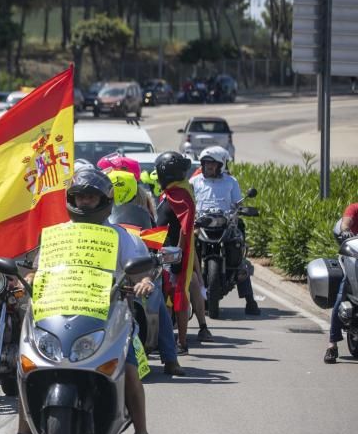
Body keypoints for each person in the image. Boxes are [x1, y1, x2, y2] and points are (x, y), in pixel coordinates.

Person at [0, 169, 162, 434]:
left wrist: (144, 282)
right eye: (80, 196)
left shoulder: (121, 237)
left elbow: (142, 270)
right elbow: (38, 268)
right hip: (58, 312)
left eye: (91, 196)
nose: (85, 202)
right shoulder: (57, 235)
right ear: (70, 199)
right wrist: (27, 278)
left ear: (105, 200)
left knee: (130, 371)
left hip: (109, 317)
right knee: (28, 366)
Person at [106, 169, 184, 376]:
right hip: (107, 272)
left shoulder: (146, 207)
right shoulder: (99, 213)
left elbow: (158, 238)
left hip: (140, 267)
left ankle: (170, 358)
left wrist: (159, 248)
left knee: (156, 298)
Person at [189, 146, 260, 316]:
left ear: (221, 165)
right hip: (201, 226)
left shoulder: (231, 182)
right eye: (206, 163)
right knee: (187, 252)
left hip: (225, 224)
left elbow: (237, 203)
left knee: (238, 248)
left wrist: (241, 209)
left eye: (213, 164)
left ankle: (249, 299)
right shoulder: (194, 182)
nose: (209, 167)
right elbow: (188, 201)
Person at [154, 152, 211, 353]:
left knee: (176, 297)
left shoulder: (179, 194)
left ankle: (180, 343)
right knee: (168, 298)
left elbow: (185, 228)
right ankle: (167, 341)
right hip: (163, 251)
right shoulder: (173, 192)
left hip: (172, 253)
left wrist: (177, 255)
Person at [324, 202, 358, 363]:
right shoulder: (354, 208)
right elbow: (346, 223)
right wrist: (345, 232)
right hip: (353, 258)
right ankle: (332, 345)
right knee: (342, 293)